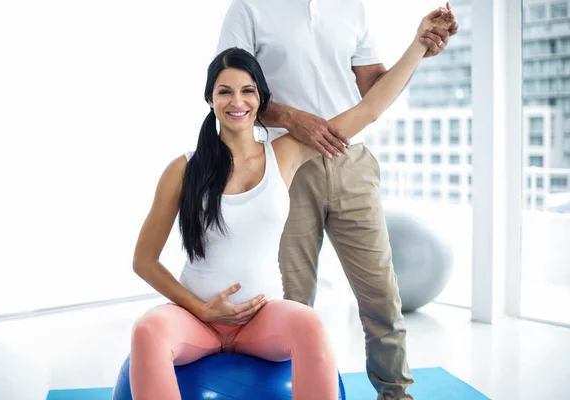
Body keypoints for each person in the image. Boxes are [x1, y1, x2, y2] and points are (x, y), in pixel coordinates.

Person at [128, 13, 439, 399]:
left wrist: (419, 45)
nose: (236, 101)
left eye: (247, 91)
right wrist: (202, 310)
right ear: (209, 98)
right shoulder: (183, 168)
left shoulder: (285, 155)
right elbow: (143, 260)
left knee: (309, 324)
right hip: (196, 319)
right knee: (146, 331)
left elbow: (369, 107)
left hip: (262, 320)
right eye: (224, 91)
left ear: (261, 100)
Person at [215, 1, 458, 398]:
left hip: (352, 161)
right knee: (289, 298)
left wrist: (419, 46)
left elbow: (373, 91)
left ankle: (396, 394)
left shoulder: (353, 8)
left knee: (382, 296)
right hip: (283, 164)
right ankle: (287, 392)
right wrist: (294, 119)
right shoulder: (249, 8)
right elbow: (231, 90)